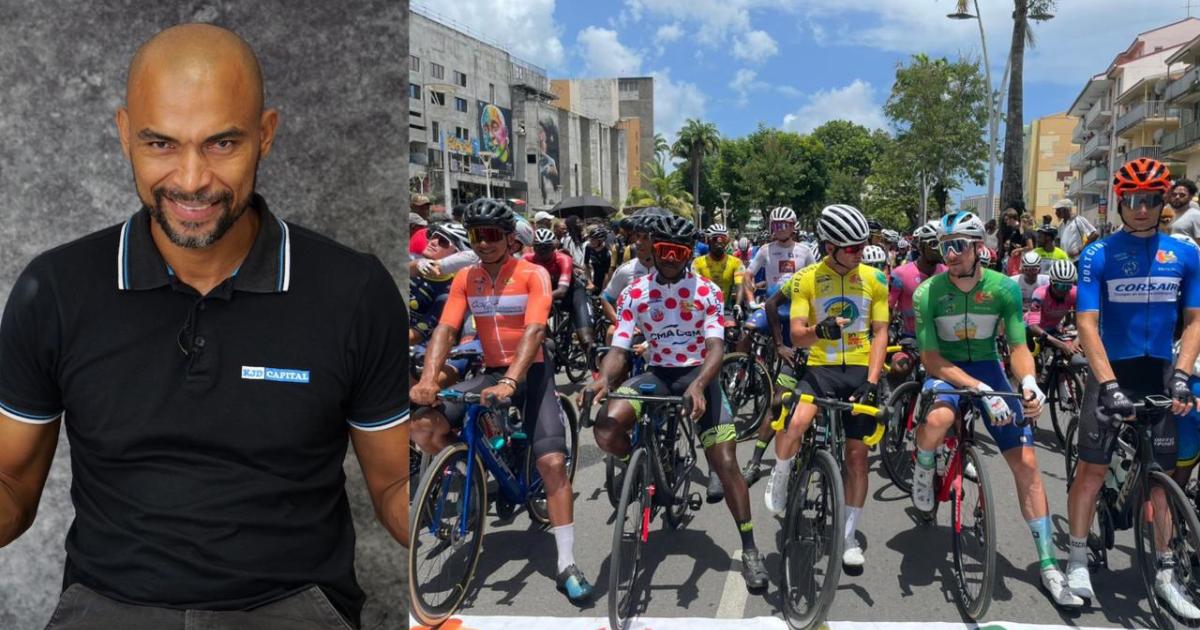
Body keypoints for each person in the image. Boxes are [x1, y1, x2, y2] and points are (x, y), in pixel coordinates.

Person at [0, 24, 411, 629]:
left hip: (293, 609)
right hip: (106, 609)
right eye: (160, 144)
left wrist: (450, 542)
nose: (191, 180)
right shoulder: (53, 290)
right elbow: (9, 481)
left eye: (222, 144)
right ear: (123, 136)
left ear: (265, 135)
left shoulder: (354, 291)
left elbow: (399, 482)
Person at [410, 198, 594, 605]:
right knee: (424, 425)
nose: (484, 243)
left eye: (492, 235)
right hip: (493, 369)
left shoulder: (532, 274)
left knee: (550, 463)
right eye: (477, 235)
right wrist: (426, 379)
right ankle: (470, 474)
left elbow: (533, 331)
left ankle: (567, 563)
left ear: (511, 239)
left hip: (533, 372)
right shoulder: (466, 278)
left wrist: (513, 380)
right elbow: (445, 329)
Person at [582, 214, 770, 592]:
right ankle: (634, 464)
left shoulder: (707, 292)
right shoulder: (635, 291)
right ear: (652, 247)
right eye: (663, 249)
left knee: (726, 462)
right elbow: (619, 349)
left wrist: (700, 384)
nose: (669, 258)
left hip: (698, 374)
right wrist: (603, 379)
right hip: (657, 374)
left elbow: (716, 347)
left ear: (688, 254)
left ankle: (749, 547)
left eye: (678, 252)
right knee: (605, 426)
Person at [911, 211, 1080, 608]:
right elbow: (932, 360)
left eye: (957, 245)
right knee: (938, 419)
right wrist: (980, 389)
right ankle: (923, 464)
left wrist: (1028, 383)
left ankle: (1048, 563)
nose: (948, 253)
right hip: (948, 369)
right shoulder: (928, 293)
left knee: (1027, 464)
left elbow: (1019, 347)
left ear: (976, 248)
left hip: (988, 366)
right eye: (943, 246)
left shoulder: (1003, 288)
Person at [1066, 158, 1200, 617]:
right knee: (1093, 471)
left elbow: (1195, 320)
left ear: (1163, 202)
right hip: (1113, 372)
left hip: (1160, 370)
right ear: (1120, 202)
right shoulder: (1097, 253)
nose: (1141, 209)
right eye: (1132, 200)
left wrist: (1182, 373)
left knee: (1160, 483)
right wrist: (1106, 384)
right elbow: (1086, 323)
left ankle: (1165, 571)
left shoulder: (1185, 254)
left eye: (1150, 200)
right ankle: (1077, 558)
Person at [763, 204, 889, 569]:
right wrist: (820, 331)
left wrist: (872, 379)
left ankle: (848, 536)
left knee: (857, 457)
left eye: (862, 246)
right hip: (822, 368)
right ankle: (782, 474)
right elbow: (798, 336)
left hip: (860, 370)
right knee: (797, 421)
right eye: (851, 248)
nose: (860, 253)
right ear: (830, 246)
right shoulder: (806, 279)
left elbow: (881, 333)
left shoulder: (875, 280)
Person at [737, 206, 817, 353]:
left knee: (799, 347)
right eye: (775, 225)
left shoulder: (805, 251)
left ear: (793, 226)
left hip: (796, 306)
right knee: (747, 331)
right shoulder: (765, 250)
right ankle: (738, 371)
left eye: (784, 225)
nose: (779, 229)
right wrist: (751, 301)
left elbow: (815, 278)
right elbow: (748, 275)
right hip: (771, 303)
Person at [527, 229, 596, 365]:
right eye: (538, 248)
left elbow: (562, 291)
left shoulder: (563, 259)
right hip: (547, 293)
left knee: (586, 339)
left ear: (554, 247)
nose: (542, 252)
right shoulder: (527, 259)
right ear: (533, 247)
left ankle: (596, 372)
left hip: (572, 293)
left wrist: (535, 299)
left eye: (546, 248)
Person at [889, 221, 946, 340]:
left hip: (942, 341)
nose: (939, 249)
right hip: (910, 340)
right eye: (934, 243)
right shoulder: (900, 274)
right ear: (921, 246)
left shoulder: (949, 273)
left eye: (943, 243)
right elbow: (887, 309)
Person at [1024, 259, 1080, 357]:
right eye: (1059, 286)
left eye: (1067, 286)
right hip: (1032, 328)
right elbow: (1033, 326)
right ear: (1051, 282)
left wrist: (1076, 341)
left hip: (1053, 328)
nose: (1063, 291)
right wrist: (1061, 345)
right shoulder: (1040, 294)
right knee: (1031, 357)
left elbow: (1082, 322)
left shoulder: (1075, 293)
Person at [692, 223, 744, 307]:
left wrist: (737, 305)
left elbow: (740, 286)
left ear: (727, 241)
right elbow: (693, 288)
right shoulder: (697, 263)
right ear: (707, 240)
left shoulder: (736, 262)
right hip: (703, 309)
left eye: (723, 239)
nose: (719, 242)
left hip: (727, 310)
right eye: (715, 238)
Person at [1169, 178, 1200, 246]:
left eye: (1182, 195)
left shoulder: (1196, 215)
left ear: (1190, 197)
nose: (1177, 197)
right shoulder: (1167, 213)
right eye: (1174, 194)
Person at [584, 226, 612, 293]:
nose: (591, 241)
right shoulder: (588, 248)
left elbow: (607, 274)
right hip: (594, 279)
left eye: (593, 240)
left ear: (600, 241)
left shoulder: (607, 254)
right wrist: (589, 281)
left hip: (605, 281)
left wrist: (603, 291)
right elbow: (586, 264)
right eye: (590, 239)